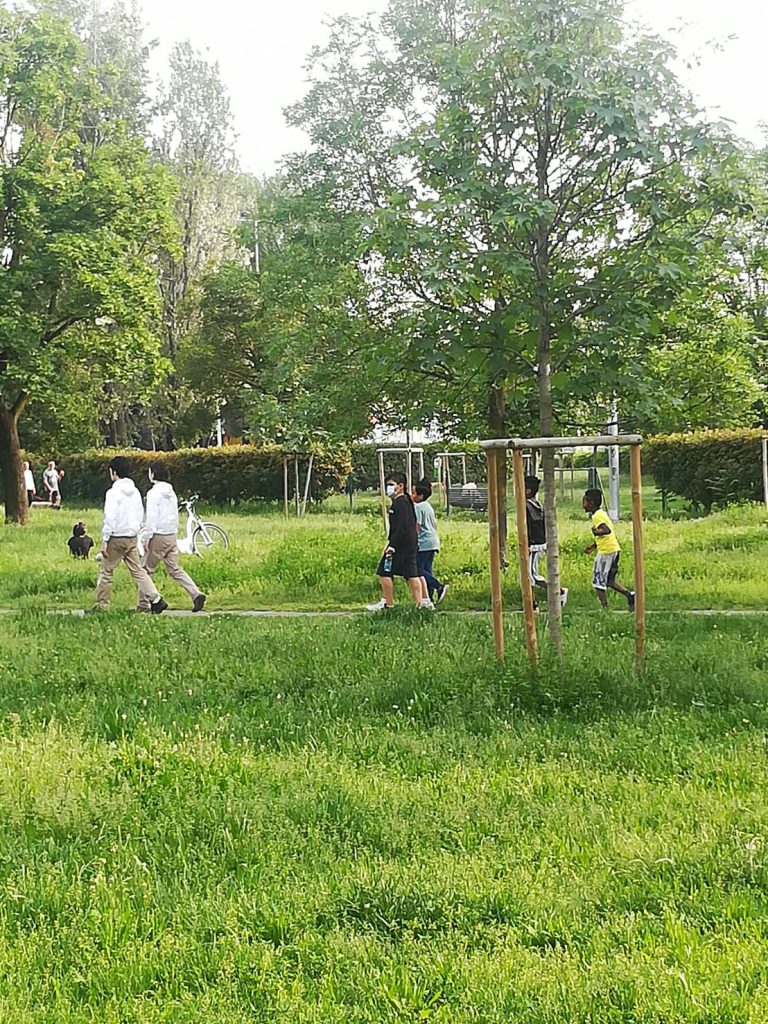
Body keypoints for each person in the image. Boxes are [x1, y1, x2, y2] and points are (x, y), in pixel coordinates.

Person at [93, 456, 167, 614]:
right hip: (132, 537)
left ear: (113, 473)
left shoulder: (113, 492)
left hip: (116, 537)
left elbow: (110, 517)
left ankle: (102, 605)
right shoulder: (135, 492)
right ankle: (155, 598)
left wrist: (105, 540)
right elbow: (141, 512)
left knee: (106, 571)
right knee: (138, 571)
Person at [140, 462, 206, 613]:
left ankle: (143, 604)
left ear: (153, 474)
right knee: (175, 569)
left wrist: (147, 537)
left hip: (158, 536)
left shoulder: (153, 493)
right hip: (171, 535)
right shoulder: (171, 492)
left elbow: (152, 517)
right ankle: (195, 593)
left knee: (145, 571)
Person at [367, 472, 428, 611]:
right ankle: (419, 605)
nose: (388, 488)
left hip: (401, 545)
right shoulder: (405, 501)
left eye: (391, 485)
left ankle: (388, 604)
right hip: (409, 544)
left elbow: (401, 527)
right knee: (412, 574)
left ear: (400, 486)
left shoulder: (400, 504)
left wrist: (392, 545)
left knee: (384, 571)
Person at [582, 488, 635, 611]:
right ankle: (630, 595)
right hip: (613, 549)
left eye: (584, 502)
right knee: (609, 581)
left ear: (591, 503)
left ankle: (604, 607)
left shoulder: (597, 516)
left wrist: (596, 532)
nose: (583, 505)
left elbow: (606, 530)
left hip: (607, 552)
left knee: (598, 581)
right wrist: (594, 545)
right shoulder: (601, 513)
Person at [525, 476, 568, 612]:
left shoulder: (527, 505)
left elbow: (530, 527)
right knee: (530, 575)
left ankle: (557, 592)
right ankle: (533, 604)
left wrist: (528, 545)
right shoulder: (535, 503)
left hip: (534, 545)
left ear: (527, 491)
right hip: (538, 543)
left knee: (531, 576)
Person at [412, 481, 448, 605]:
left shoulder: (418, 508)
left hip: (423, 542)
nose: (412, 495)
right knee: (427, 569)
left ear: (420, 496)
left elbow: (417, 526)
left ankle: (438, 586)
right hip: (433, 541)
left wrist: (413, 541)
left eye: (414, 493)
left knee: (418, 570)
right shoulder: (428, 506)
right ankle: (429, 597)